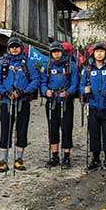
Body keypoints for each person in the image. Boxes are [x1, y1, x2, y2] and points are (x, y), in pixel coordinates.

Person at [0, 37, 40, 173]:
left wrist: (24, 92)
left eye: (17, 46)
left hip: (22, 101)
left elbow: (35, 79)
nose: (14, 49)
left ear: (21, 48)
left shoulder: (28, 63)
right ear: (8, 48)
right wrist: (5, 92)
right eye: (12, 46)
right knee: (5, 130)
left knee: (22, 129)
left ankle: (19, 159)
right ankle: (3, 161)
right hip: (6, 102)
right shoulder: (2, 63)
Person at [79, 43, 106, 172]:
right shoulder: (87, 70)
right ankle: (95, 159)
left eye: (102, 51)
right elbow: (81, 86)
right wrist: (84, 90)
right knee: (94, 133)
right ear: (93, 54)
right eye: (97, 51)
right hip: (93, 105)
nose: (99, 54)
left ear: (105, 53)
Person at [40, 41, 79, 169]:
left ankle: (66, 156)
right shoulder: (47, 66)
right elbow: (43, 82)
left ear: (62, 52)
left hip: (66, 101)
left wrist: (68, 92)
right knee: (53, 128)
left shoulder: (70, 65)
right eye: (54, 52)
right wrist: (46, 91)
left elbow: (75, 83)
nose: (56, 54)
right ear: (51, 53)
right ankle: (55, 156)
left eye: (58, 52)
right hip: (52, 101)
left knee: (66, 128)